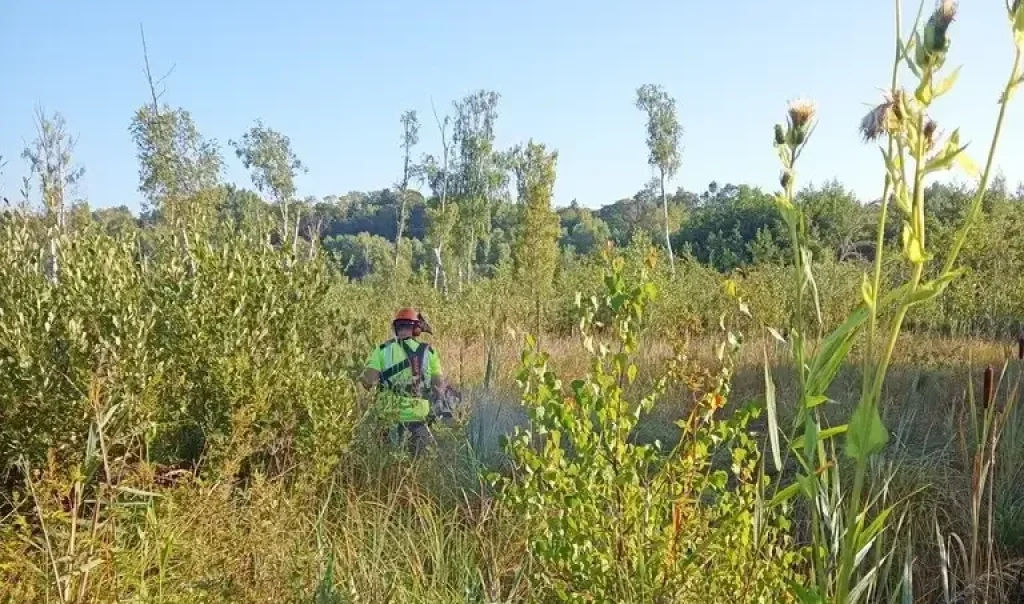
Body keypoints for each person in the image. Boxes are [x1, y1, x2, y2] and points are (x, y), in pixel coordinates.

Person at [360, 307, 445, 456]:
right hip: (418, 419)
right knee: (418, 468)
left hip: (387, 418)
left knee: (385, 468)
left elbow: (367, 382)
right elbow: (438, 387)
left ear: (395, 328)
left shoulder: (381, 350)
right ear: (416, 330)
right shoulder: (429, 352)